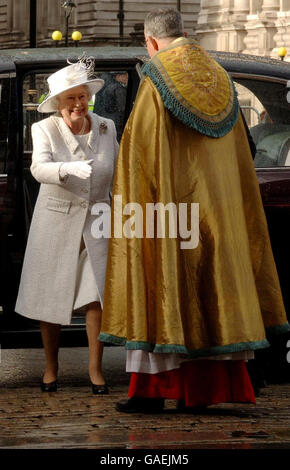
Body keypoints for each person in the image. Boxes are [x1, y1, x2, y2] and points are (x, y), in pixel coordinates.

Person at [99, 8, 290, 413]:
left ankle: (150, 393)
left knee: (165, 289)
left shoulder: (155, 78)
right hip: (221, 214)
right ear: (185, 34)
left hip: (169, 216)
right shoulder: (221, 77)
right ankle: (202, 393)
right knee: (213, 294)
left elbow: (141, 155)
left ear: (151, 43)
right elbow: (242, 153)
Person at [15, 59, 119, 394]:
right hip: (56, 221)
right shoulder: (43, 129)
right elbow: (39, 169)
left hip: (97, 222)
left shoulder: (106, 127)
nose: (77, 104)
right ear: (58, 102)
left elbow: (117, 172)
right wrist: (67, 170)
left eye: (81, 97)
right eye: (70, 98)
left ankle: (95, 370)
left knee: (96, 299)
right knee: (51, 296)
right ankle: (50, 367)